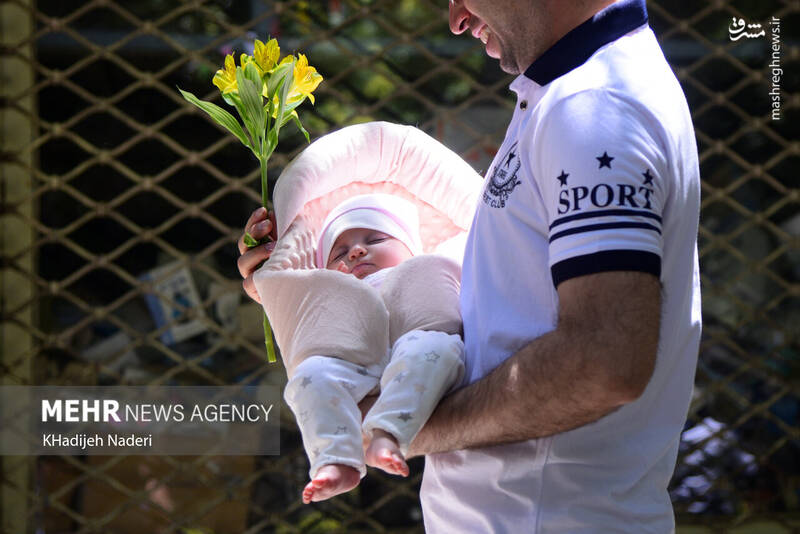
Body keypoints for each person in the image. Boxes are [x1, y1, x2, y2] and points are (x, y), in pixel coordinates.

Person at [239, 0, 701, 530]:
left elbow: (604, 361)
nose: (456, 17)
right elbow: (512, 309)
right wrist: (294, 292)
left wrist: (402, 426)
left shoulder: (592, 110)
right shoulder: (567, 92)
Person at [269, 194, 464, 504]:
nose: (356, 251)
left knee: (437, 347)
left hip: (412, 346)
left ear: (411, 248)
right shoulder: (332, 290)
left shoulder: (421, 268)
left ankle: (388, 434)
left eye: (376, 239)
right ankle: (335, 459)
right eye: (339, 253)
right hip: (351, 361)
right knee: (309, 374)